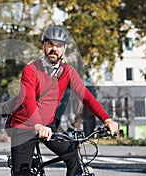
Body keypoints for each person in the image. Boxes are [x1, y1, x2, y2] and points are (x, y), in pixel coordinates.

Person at [8, 25, 119, 176]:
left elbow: (85, 96)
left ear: (64, 49)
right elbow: (28, 101)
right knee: (22, 173)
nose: (54, 49)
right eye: (50, 44)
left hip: (48, 124)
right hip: (24, 126)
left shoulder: (67, 72)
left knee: (73, 157)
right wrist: (38, 125)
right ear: (43, 46)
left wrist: (106, 120)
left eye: (59, 46)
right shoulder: (31, 70)